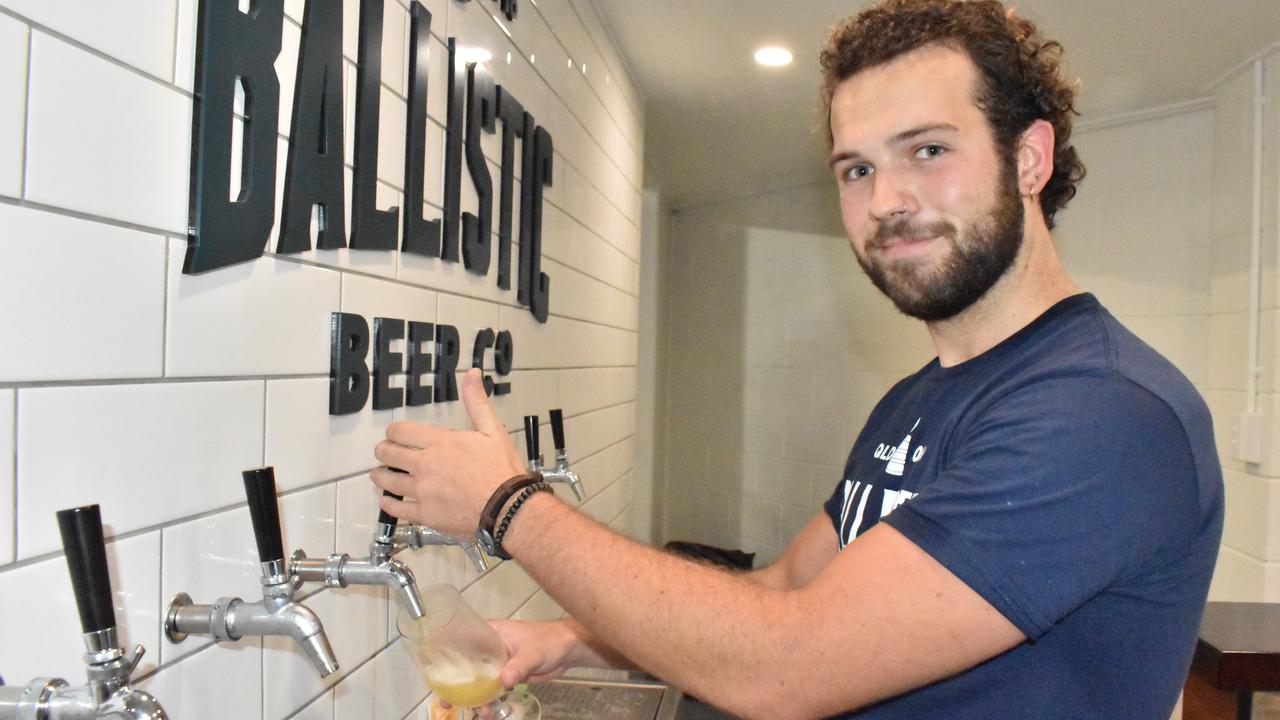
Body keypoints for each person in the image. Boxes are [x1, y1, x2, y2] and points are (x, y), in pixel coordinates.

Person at [370, 0, 1224, 717]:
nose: (887, 201)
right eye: (856, 168)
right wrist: (561, 640)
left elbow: (791, 661)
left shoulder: (1104, 412)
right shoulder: (916, 401)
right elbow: (781, 590)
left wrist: (509, 507)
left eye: (928, 150)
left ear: (1028, 158)